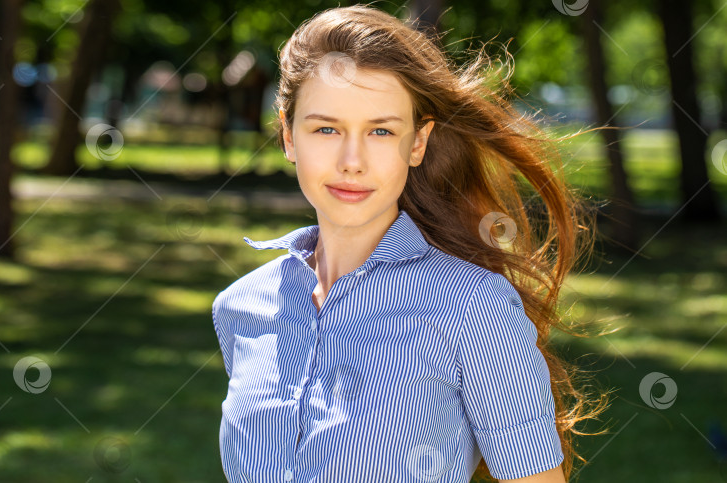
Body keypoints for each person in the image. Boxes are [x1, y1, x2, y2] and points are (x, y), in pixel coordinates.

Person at [212, 4, 610, 482]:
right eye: (326, 128)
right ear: (288, 134)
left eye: (381, 131)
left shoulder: (475, 308)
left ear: (418, 143)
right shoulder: (240, 306)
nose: (352, 160)